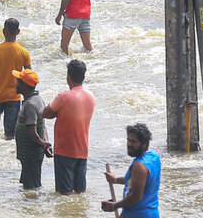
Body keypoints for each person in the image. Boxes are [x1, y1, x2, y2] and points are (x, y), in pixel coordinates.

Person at [42, 59, 96, 196]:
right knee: (80, 192)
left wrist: (58, 113)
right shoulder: (91, 97)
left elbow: (45, 113)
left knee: (64, 194)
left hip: (65, 152)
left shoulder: (64, 96)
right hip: (83, 151)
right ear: (84, 77)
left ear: (68, 77)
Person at [0, 17, 32, 140]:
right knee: (10, 135)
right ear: (18, 32)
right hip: (14, 97)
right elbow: (29, 77)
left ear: (3, 31)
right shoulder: (24, 53)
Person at [103, 123, 161, 217]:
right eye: (128, 140)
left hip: (136, 214)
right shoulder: (154, 157)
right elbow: (135, 181)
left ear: (144, 144)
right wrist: (115, 180)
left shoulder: (139, 166)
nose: (129, 144)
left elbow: (136, 197)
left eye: (134, 142)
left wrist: (114, 206)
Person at [13, 68, 53, 190]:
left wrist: (43, 144)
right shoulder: (38, 99)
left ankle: (32, 207)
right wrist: (45, 143)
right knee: (32, 184)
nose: (16, 84)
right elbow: (43, 127)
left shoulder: (30, 104)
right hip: (33, 153)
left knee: (31, 188)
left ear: (25, 86)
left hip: (31, 153)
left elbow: (32, 132)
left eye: (19, 82)